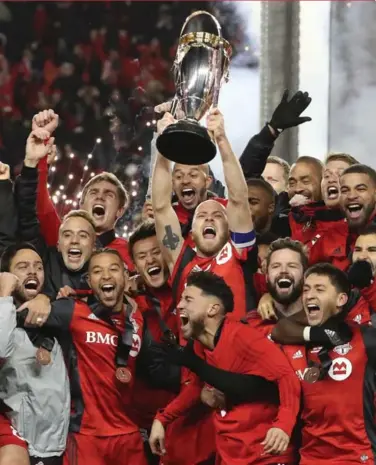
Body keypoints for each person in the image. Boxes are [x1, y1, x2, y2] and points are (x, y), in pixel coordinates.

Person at [150, 271, 300, 465]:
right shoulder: (199, 346)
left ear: (212, 309)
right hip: (231, 453)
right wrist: (162, 419)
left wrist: (283, 426)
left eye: (188, 299)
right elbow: (196, 388)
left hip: (264, 453)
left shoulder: (243, 337)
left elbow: (287, 377)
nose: (179, 306)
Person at [28, 248, 147, 465]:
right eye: (98, 271)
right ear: (89, 282)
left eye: (113, 269)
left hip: (129, 435)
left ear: (126, 276)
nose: (107, 276)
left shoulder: (139, 314)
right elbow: (23, 315)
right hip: (87, 435)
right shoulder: (74, 311)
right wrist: (43, 297)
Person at [152, 109, 257, 319]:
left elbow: (238, 198)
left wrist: (221, 138)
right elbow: (161, 206)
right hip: (191, 351)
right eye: (201, 216)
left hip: (232, 349)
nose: (209, 218)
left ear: (229, 227)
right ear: (191, 229)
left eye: (218, 216)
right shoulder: (180, 260)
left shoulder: (238, 250)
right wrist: (163, 146)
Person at [282, 263, 376, 465]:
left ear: (342, 299)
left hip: (357, 456)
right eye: (306, 290)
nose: (309, 295)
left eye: (319, 289)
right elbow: (280, 328)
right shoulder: (296, 343)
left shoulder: (365, 339)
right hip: (311, 458)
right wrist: (320, 334)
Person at [30, 110, 133, 269]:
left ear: (119, 211)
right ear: (81, 204)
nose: (100, 197)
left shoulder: (132, 253)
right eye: (93, 192)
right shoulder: (61, 237)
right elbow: (41, 203)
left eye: (109, 194)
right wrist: (42, 142)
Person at [0, 243, 70, 465]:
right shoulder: (4, 319)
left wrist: (49, 299)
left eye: (38, 267)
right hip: (20, 445)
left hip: (58, 447)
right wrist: (4, 295)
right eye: (22, 267)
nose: (32, 271)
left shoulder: (58, 316)